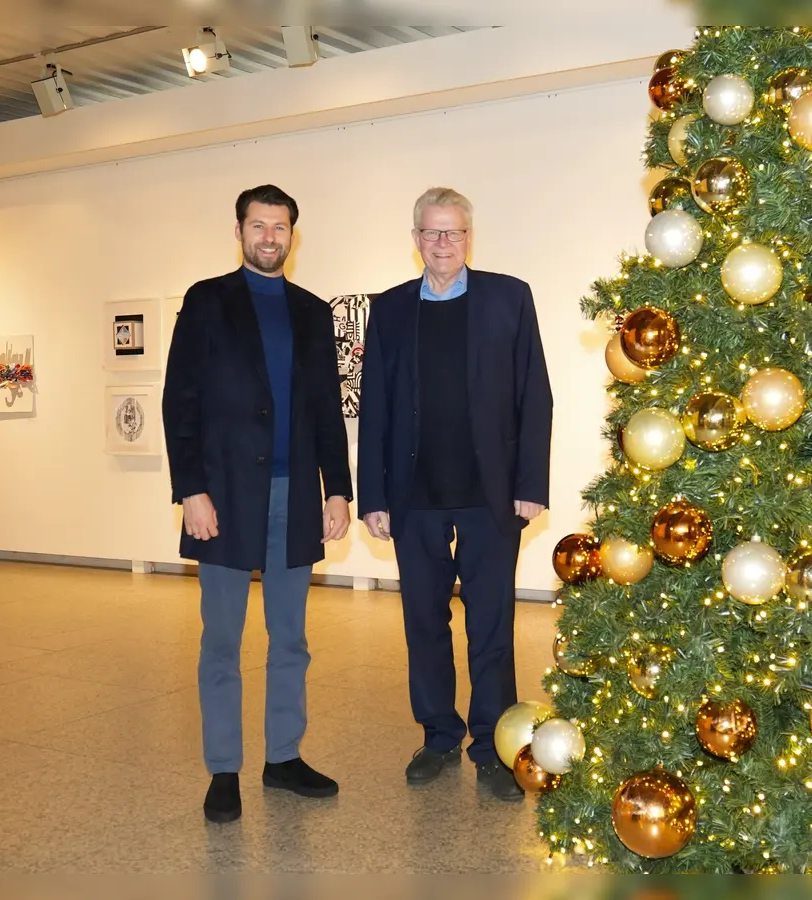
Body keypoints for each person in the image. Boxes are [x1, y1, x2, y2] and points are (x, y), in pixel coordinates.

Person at [162, 184, 353, 823]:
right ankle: (223, 769)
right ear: (239, 230)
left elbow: (328, 407)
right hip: (223, 497)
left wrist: (338, 488)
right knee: (222, 638)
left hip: (295, 496)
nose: (269, 237)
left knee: (290, 637)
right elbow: (179, 403)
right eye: (258, 225)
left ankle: (282, 758)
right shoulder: (207, 301)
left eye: (280, 227)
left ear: (292, 235)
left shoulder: (311, 310)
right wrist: (191, 490)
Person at [356, 187, 553, 801]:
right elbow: (377, 407)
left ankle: (492, 743)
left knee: (491, 622)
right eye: (432, 233)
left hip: (490, 494)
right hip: (414, 494)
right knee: (424, 620)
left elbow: (535, 396)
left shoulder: (508, 298)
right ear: (415, 239)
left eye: (455, 233)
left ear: (470, 237)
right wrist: (373, 496)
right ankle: (438, 735)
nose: (443, 244)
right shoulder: (389, 309)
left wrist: (530, 484)